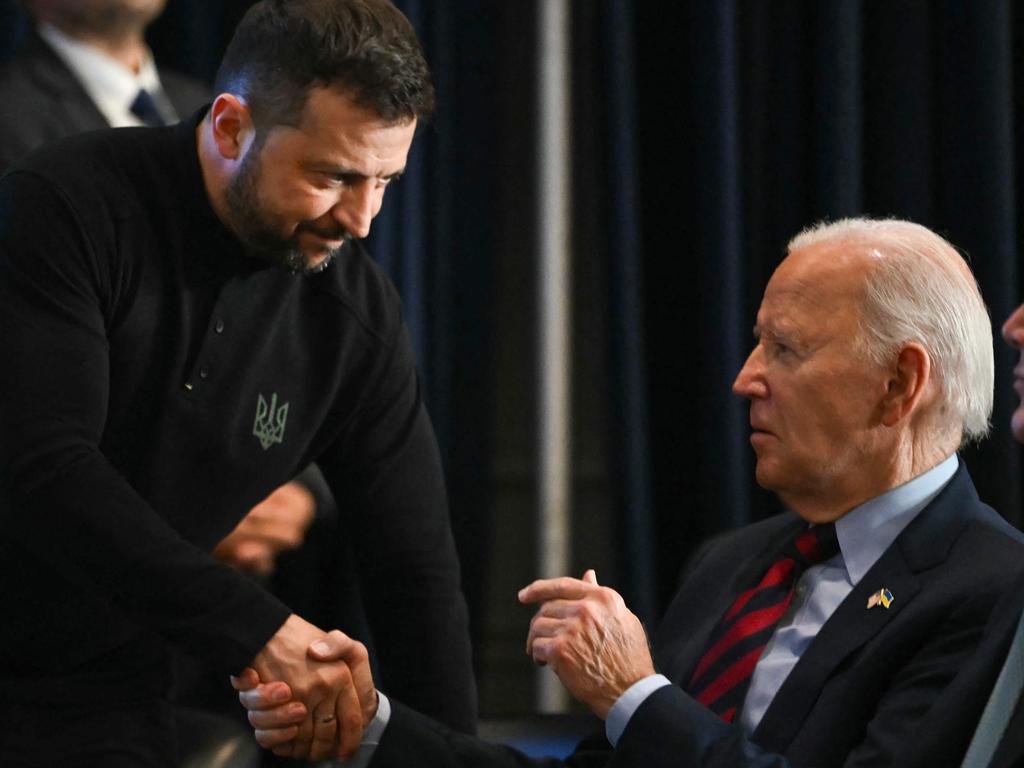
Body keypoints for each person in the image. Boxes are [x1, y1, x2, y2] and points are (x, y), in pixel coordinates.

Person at [241, 217, 1024, 767]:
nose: (744, 377)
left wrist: (636, 693)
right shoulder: (734, 562)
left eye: (784, 349)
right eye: (758, 341)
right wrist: (366, 727)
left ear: (898, 386)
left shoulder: (992, 589)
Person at [0, 1, 476, 765]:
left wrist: (454, 758)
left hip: (108, 692)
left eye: (385, 181)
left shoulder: (356, 316)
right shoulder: (68, 205)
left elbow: (413, 570)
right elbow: (43, 468)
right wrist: (257, 631)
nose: (361, 219)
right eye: (333, 177)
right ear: (230, 127)